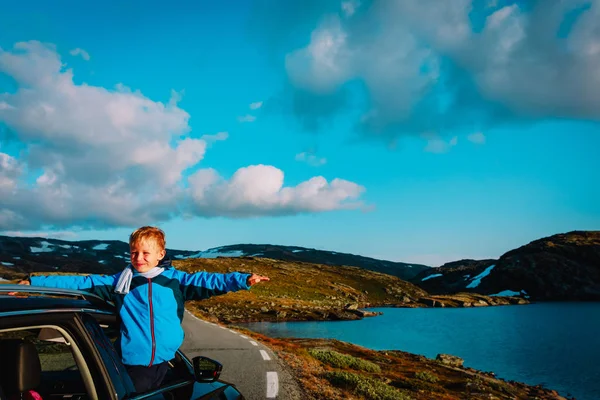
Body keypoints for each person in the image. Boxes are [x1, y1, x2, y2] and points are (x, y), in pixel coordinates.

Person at [17, 226, 269, 393]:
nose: (139, 258)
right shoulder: (120, 283)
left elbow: (208, 281)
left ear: (160, 254)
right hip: (135, 365)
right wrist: (35, 282)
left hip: (170, 362)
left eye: (146, 253)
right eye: (134, 252)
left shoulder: (175, 280)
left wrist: (243, 279)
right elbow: (82, 282)